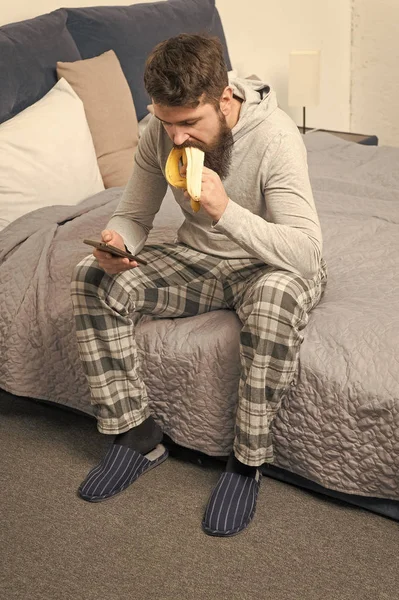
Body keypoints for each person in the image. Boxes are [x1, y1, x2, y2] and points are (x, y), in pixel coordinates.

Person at [71, 33, 327, 537]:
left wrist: (225, 211)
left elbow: (306, 253)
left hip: (266, 265)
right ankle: (135, 435)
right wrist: (115, 242)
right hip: (199, 263)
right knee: (89, 274)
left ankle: (247, 463)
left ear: (225, 99)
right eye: (168, 122)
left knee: (276, 299)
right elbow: (134, 213)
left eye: (190, 123)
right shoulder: (160, 131)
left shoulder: (275, 136)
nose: (178, 137)